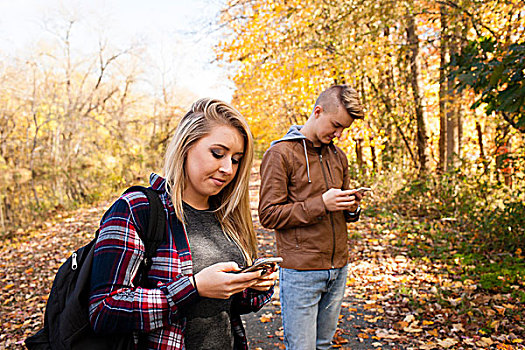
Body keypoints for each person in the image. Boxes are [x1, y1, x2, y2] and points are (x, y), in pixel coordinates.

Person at [89, 98, 278, 349]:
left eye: (235, 159)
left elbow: (231, 305)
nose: (227, 169)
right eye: (218, 153)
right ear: (186, 147)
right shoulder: (137, 208)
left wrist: (252, 285)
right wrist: (195, 288)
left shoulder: (226, 215)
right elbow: (105, 309)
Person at [258, 85, 365, 350]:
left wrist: (351, 207)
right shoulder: (280, 154)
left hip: (338, 269)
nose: (339, 134)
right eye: (336, 125)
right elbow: (268, 215)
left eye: (344, 129)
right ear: (318, 112)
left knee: (324, 346)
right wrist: (321, 204)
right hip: (301, 273)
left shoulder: (339, 156)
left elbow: (343, 214)